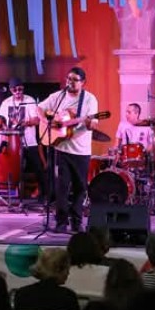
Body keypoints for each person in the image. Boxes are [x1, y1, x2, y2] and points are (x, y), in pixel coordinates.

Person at [33, 67, 99, 233]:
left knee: (80, 188)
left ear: (83, 82)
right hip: (61, 148)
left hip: (81, 150)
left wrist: (90, 123)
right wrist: (46, 121)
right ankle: (61, 222)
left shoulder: (89, 99)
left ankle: (76, 222)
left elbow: (93, 123)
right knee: (61, 187)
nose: (70, 82)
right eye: (68, 78)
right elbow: (39, 108)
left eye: (75, 80)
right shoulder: (59, 96)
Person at [0, 77, 45, 200]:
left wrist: (25, 123)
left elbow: (37, 120)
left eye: (20, 89)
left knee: (38, 167)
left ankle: (44, 193)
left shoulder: (30, 100)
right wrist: (5, 128)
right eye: (15, 90)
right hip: (13, 142)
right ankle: (14, 192)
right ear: (11, 90)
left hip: (29, 141)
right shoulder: (6, 103)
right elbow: (1, 121)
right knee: (12, 167)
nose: (18, 92)